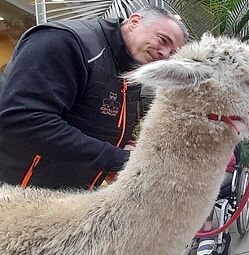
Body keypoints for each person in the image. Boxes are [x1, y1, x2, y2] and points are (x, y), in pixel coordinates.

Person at [0, 6, 187, 190]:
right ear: (134, 22)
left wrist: (128, 148)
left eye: (171, 53)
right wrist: (120, 159)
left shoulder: (130, 71)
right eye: (163, 40)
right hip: (18, 195)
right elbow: (22, 121)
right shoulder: (64, 41)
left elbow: (100, 126)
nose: (164, 54)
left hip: (68, 202)